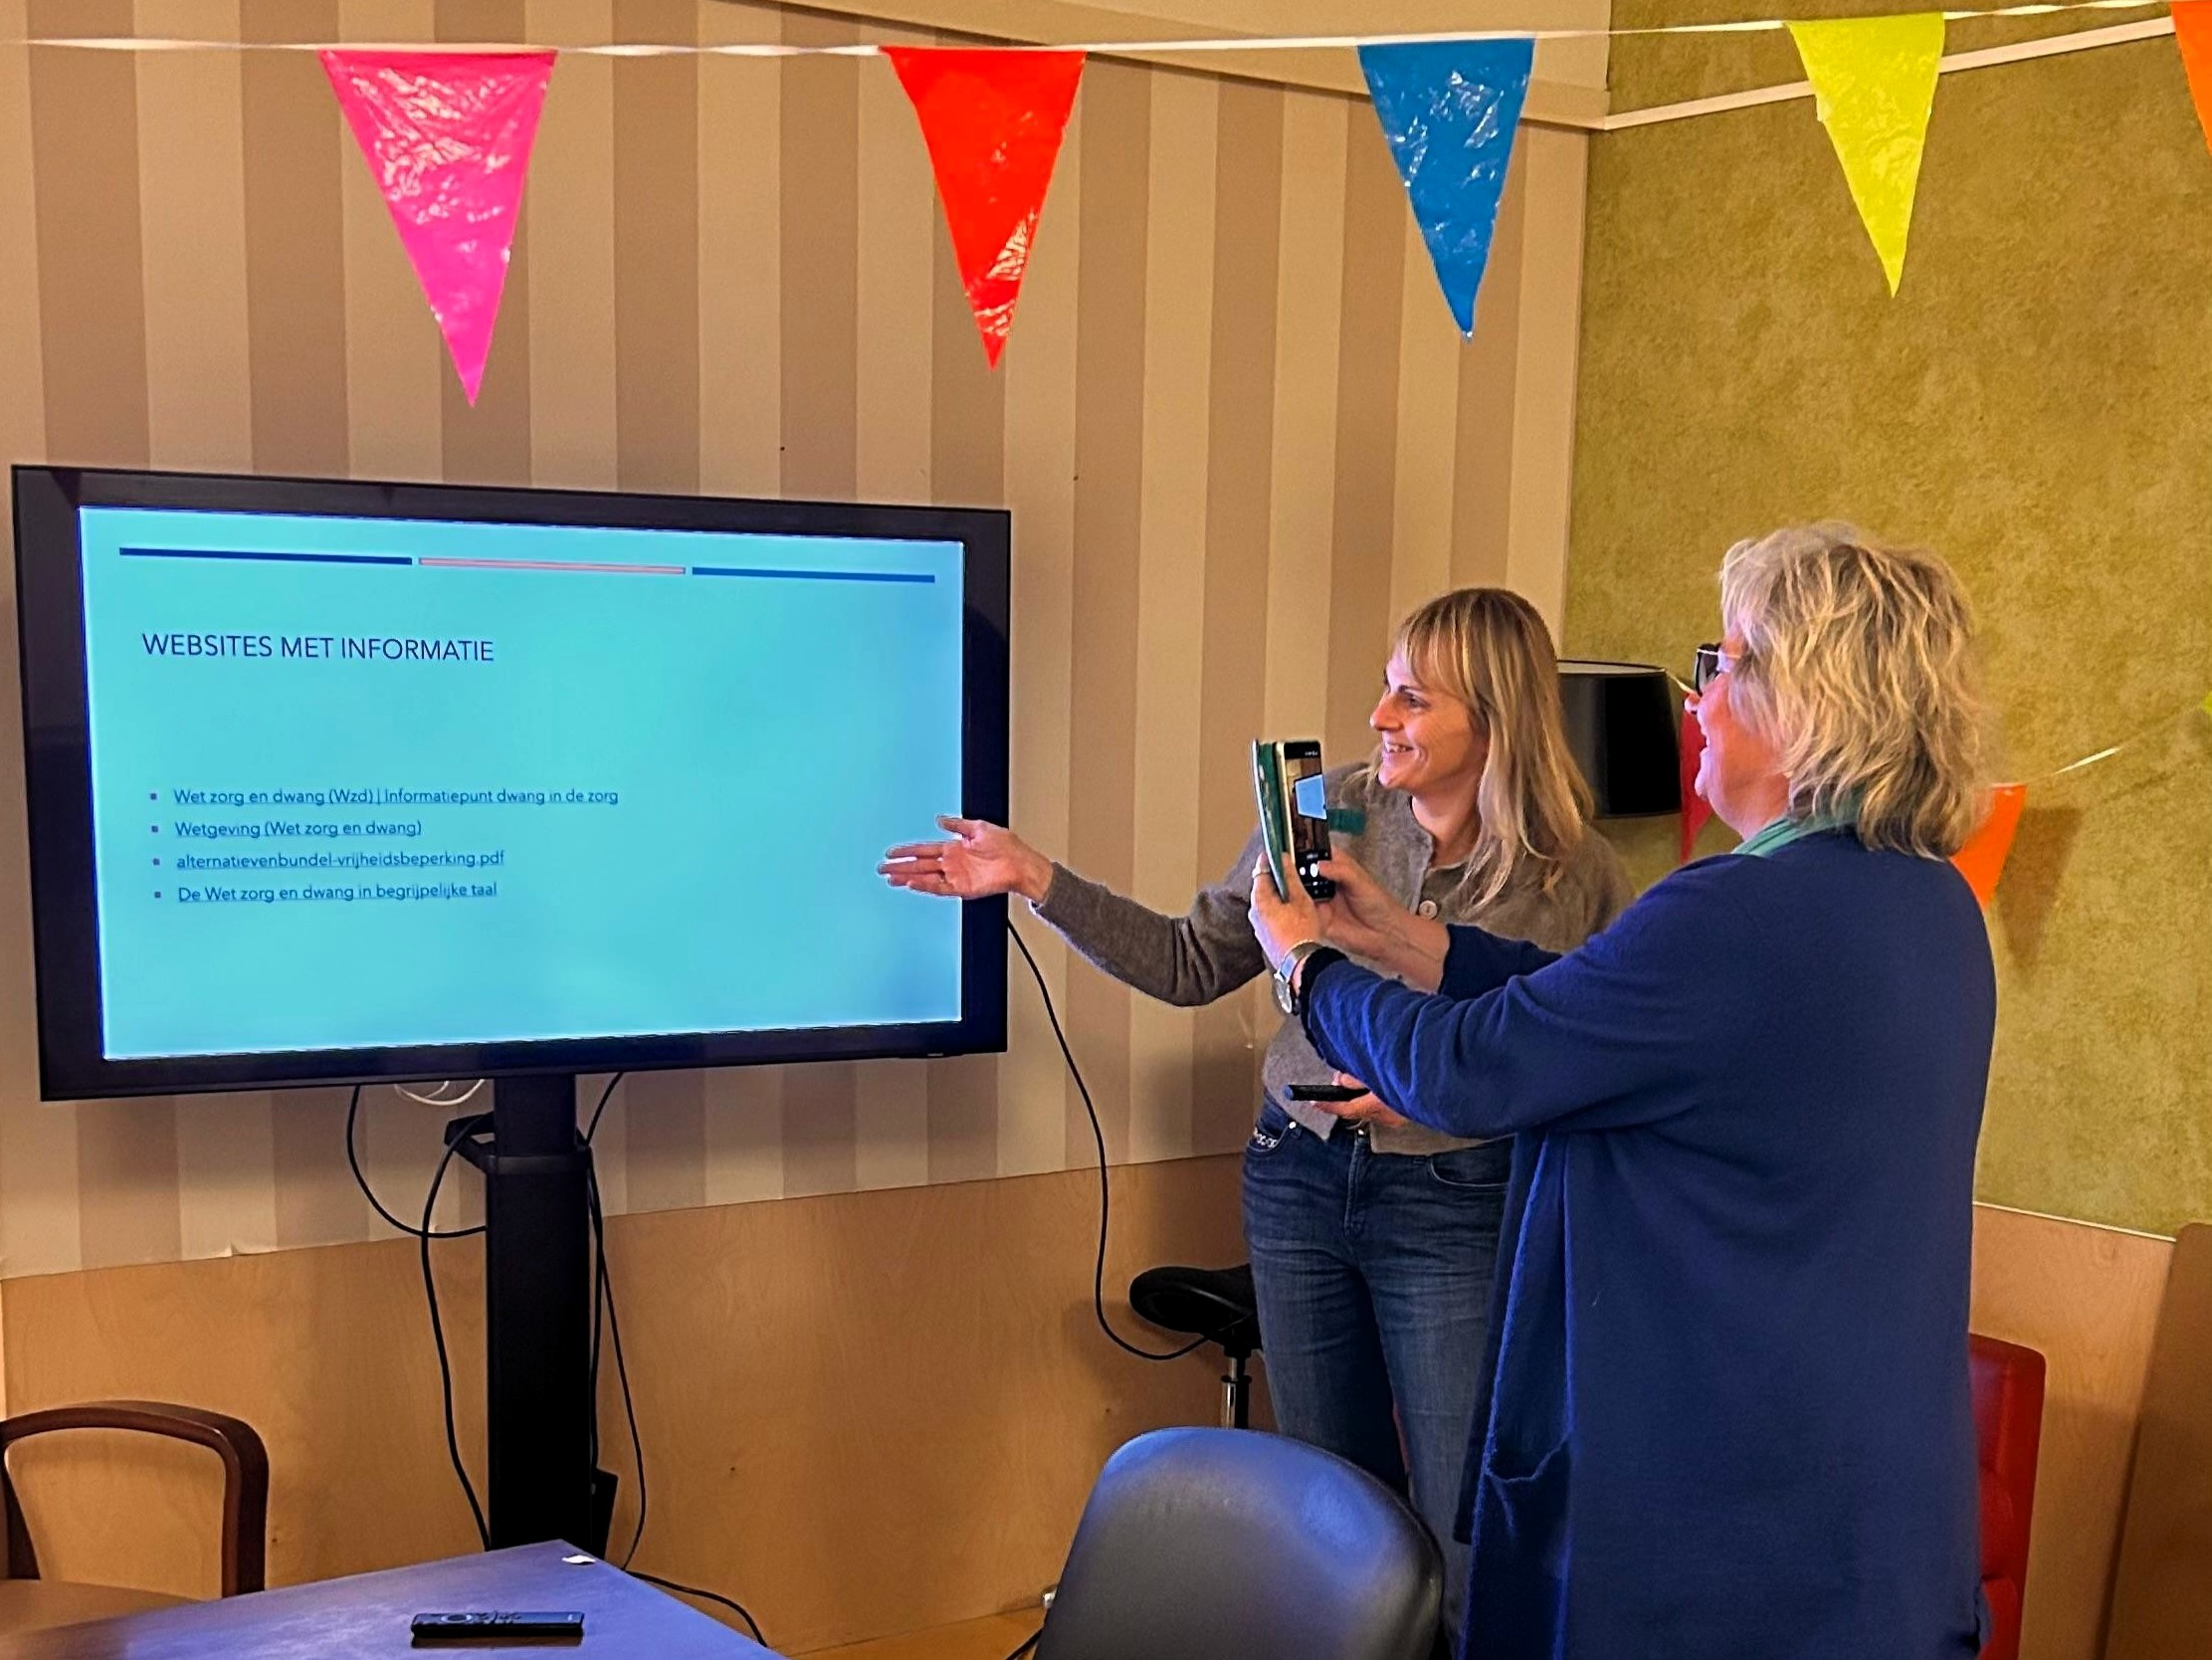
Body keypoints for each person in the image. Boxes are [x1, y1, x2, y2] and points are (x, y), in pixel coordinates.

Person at [1249, 522, 1996, 1660]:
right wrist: (1405, 942)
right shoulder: (1929, 906)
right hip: (1863, 1495)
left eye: (1723, 664)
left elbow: (1472, 1068)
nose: (1700, 701)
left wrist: (1310, 965)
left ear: (1807, 703)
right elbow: (1592, 1012)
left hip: (1720, 1504)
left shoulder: (1735, 915)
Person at [881, 589, 1628, 1637]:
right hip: (1297, 1178)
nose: (1379, 717)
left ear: (1495, 718)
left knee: (1461, 1528)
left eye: (1413, 699)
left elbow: (1580, 1063)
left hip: (1455, 1200)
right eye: (1386, 688)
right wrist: (1033, 877)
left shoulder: (1577, 877)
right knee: (1330, 1523)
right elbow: (1190, 962)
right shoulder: (1322, 813)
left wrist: (1431, 1087)